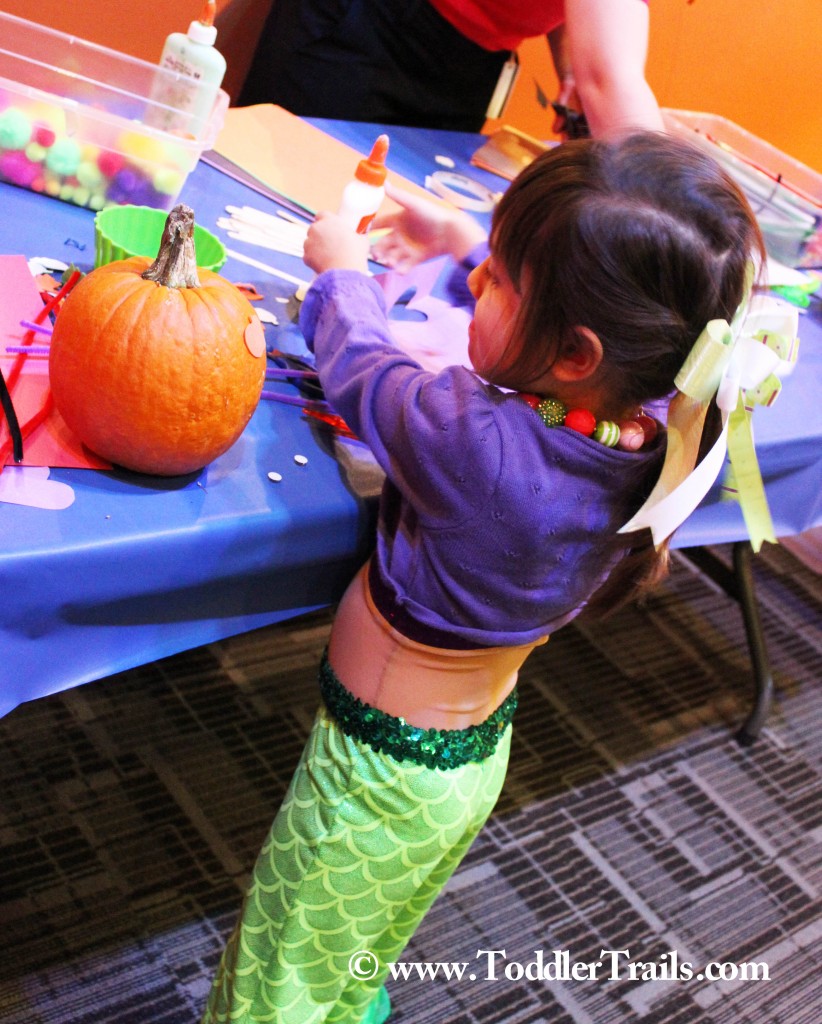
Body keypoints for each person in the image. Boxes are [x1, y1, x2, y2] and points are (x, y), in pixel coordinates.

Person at [201, 132, 762, 1024]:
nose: (477, 285)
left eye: (497, 278)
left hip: (371, 777)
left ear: (575, 354)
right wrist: (466, 235)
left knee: (277, 979)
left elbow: (366, 369)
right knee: (353, 950)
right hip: (467, 763)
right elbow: (565, 324)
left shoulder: (477, 442)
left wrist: (341, 270)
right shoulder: (661, 422)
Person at [238, 0, 664, 137]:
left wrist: (570, 62)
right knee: (274, 184)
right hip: (367, 19)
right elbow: (610, 81)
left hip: (471, 62)